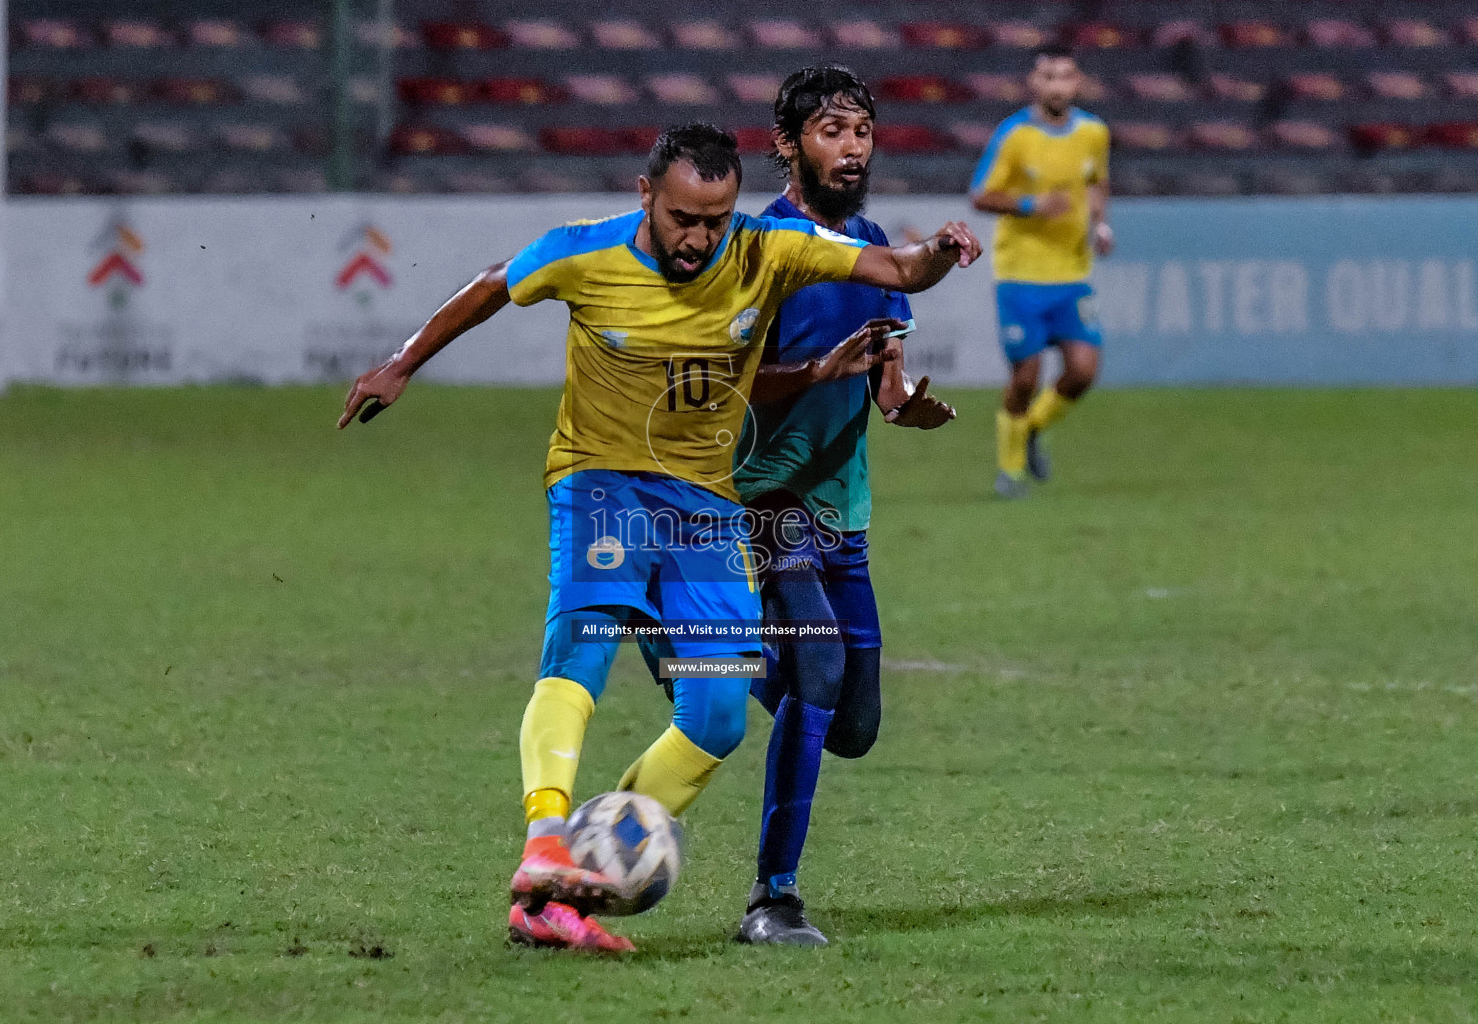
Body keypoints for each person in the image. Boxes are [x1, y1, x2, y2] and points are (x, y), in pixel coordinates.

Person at [338, 123, 983, 952]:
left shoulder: (767, 248)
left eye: (715, 219)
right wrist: (401, 362)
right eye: (684, 218)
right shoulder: (584, 254)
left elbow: (898, 269)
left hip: (705, 508)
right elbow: (494, 285)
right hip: (601, 482)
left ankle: (575, 880)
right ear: (646, 196)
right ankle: (544, 846)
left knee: (717, 714)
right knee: (582, 652)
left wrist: (941, 249)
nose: (699, 238)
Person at [725, 65, 959, 947]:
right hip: (763, 495)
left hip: (843, 510)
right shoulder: (756, 252)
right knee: (817, 673)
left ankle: (712, 652)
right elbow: (726, 387)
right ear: (787, 144)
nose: (852, 146)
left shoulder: (874, 248)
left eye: (861, 130)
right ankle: (771, 899)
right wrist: (817, 373)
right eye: (831, 130)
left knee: (853, 725)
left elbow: (886, 376)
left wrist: (903, 405)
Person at [970, 43, 1113, 499]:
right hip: (1020, 276)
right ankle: (1009, 472)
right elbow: (980, 195)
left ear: (1077, 82)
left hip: (1072, 274)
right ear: (1034, 83)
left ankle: (1031, 429)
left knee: (1084, 371)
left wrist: (1101, 223)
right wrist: (1032, 205)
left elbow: (1097, 181)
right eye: (1047, 76)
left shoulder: (1094, 133)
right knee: (1026, 377)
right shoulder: (1014, 135)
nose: (1056, 85)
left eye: (1065, 76)